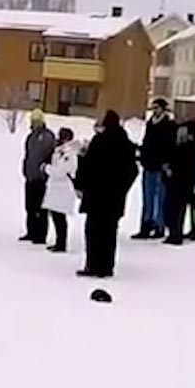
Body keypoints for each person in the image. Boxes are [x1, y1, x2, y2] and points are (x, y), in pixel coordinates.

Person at [74, 111, 139, 278]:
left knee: (93, 231)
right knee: (110, 233)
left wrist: (81, 185)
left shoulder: (99, 142)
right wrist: (122, 189)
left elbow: (89, 166)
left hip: (96, 196)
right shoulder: (127, 145)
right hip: (115, 199)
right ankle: (107, 266)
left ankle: (93, 265)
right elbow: (133, 171)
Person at [132, 98, 178, 240]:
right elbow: (147, 142)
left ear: (163, 109)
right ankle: (146, 225)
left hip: (161, 166)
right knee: (147, 196)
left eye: (157, 108)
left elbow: (170, 146)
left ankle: (159, 226)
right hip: (148, 164)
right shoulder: (150, 124)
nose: (154, 111)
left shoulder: (169, 125)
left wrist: (167, 162)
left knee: (160, 197)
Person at [161, 121, 195, 246]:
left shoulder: (191, 147)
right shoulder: (175, 145)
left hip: (183, 182)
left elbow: (190, 166)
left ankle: (176, 234)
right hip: (172, 181)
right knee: (169, 208)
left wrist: (173, 169)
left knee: (178, 209)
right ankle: (172, 232)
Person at [40, 125, 82, 253]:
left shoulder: (70, 153)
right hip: (55, 187)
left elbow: (61, 171)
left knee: (60, 217)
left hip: (63, 188)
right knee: (55, 216)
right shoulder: (59, 151)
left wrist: (46, 169)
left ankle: (61, 243)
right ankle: (59, 241)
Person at [21, 108, 58, 245]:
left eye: (36, 121)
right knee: (29, 206)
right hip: (30, 176)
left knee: (40, 207)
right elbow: (28, 154)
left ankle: (41, 234)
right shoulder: (31, 137)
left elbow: (51, 155)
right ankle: (31, 231)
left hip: (42, 178)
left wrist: (45, 171)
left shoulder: (48, 137)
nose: (34, 124)